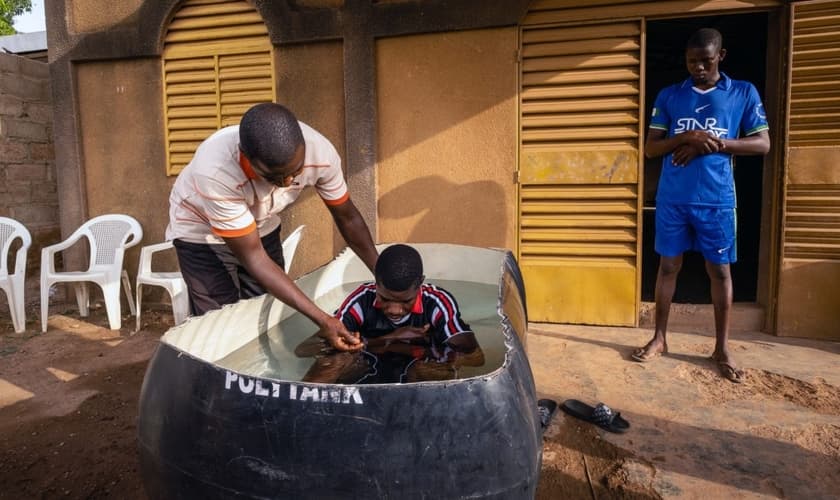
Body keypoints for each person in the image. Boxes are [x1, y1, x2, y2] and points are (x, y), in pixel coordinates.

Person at [166, 103, 378, 352]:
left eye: (295, 172)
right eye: (275, 177)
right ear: (245, 157)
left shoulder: (321, 154)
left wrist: (382, 275)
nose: (287, 182)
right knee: (218, 321)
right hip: (201, 235)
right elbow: (254, 257)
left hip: (261, 223)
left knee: (265, 310)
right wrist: (323, 320)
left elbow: (348, 217)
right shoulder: (215, 170)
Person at [631, 28, 770, 383]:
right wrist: (688, 136)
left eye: (706, 61)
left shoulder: (742, 92)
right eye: (692, 61)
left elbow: (762, 144)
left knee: (720, 272)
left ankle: (722, 348)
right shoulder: (670, 95)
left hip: (717, 199)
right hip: (673, 198)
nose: (698, 68)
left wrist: (715, 144)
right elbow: (651, 147)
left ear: (720, 56)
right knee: (667, 269)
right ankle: (659, 338)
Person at [295, 243, 485, 384]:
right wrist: (390, 338)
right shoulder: (362, 299)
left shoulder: (437, 303)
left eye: (405, 301)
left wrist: (420, 351)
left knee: (431, 370)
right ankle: (300, 415)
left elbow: (475, 357)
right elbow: (304, 350)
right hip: (367, 370)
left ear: (420, 284)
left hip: (416, 374)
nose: (394, 310)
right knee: (333, 362)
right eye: (385, 299)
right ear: (376, 282)